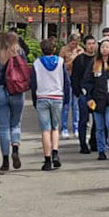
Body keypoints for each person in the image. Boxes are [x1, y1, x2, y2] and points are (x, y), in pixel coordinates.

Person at [0, 31, 27, 171]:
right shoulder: (19, 53)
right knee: (16, 124)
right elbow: (24, 72)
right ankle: (15, 149)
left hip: (0, 91)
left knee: (3, 127)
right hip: (16, 91)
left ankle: (5, 160)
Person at [31, 38, 68, 171]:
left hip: (42, 96)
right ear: (54, 49)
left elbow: (33, 83)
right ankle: (55, 153)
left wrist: (34, 99)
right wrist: (67, 98)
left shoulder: (36, 63)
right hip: (57, 96)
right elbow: (66, 81)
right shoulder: (61, 62)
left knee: (45, 129)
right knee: (55, 127)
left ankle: (47, 160)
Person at [83, 39, 109, 161]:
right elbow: (87, 82)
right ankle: (101, 150)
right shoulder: (94, 63)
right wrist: (89, 98)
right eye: (102, 47)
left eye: (107, 47)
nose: (105, 49)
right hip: (97, 100)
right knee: (99, 127)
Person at [71, 36, 98, 154]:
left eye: (93, 43)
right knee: (84, 120)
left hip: (96, 94)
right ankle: (83, 144)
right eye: (89, 44)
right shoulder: (79, 59)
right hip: (83, 93)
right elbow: (74, 77)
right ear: (85, 45)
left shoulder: (98, 59)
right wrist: (78, 92)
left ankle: (94, 141)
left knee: (97, 120)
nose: (91, 46)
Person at [60, 34, 81, 138]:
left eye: (76, 43)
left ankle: (76, 127)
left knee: (76, 105)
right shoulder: (64, 50)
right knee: (66, 104)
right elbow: (59, 63)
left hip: (76, 78)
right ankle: (64, 127)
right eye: (73, 43)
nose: (74, 45)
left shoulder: (80, 50)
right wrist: (66, 65)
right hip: (67, 77)